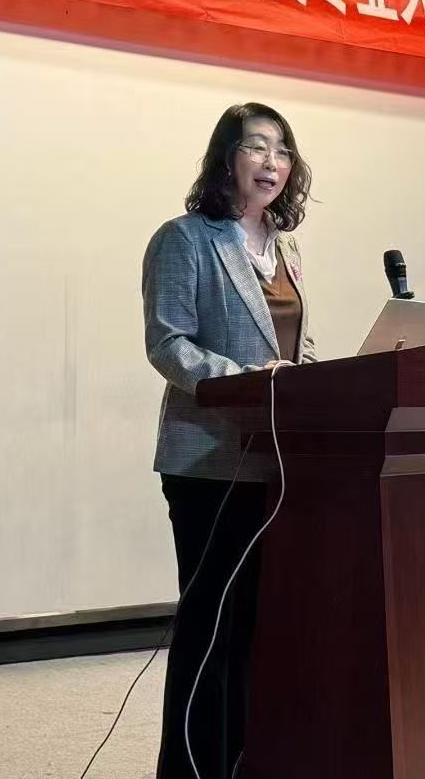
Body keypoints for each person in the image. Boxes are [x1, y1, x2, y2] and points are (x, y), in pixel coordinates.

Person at [142, 102, 316, 779]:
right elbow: (169, 344)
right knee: (209, 626)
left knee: (255, 629)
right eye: (257, 147)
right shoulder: (185, 239)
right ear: (226, 158)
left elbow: (293, 349)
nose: (272, 162)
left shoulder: (286, 247)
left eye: (283, 150)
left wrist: (317, 381)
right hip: (208, 460)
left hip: (274, 462)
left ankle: (243, 763)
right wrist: (244, 381)